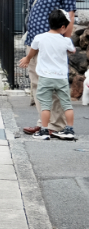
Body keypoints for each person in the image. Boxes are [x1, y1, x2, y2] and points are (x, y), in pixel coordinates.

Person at [11, 0, 78, 136]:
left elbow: (70, 16)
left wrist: (65, 42)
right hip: (34, 41)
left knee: (54, 85)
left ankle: (55, 126)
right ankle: (44, 124)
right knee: (37, 84)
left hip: (53, 44)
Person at [19, 9, 77, 141]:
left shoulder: (40, 38)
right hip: (61, 78)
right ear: (63, 27)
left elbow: (33, 50)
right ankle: (69, 130)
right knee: (67, 105)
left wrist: (27, 59)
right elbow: (72, 51)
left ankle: (44, 131)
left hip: (45, 78)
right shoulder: (66, 41)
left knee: (45, 105)